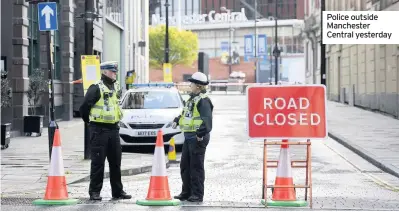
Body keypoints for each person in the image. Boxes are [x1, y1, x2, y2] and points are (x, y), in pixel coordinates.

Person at [79, 61, 131, 201]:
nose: (115, 74)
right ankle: (95, 192)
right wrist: (89, 122)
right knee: (98, 163)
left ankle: (117, 191)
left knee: (115, 162)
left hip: (113, 130)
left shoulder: (115, 87)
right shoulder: (96, 87)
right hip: (99, 130)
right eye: (113, 71)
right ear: (105, 72)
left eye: (115, 72)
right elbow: (84, 107)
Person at [172, 72, 214, 202]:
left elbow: (207, 122)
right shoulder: (192, 99)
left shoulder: (204, 100)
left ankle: (197, 194)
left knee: (196, 167)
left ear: (198, 86)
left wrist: (199, 135)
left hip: (197, 137)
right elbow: (187, 114)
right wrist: (177, 120)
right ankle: (186, 192)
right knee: (185, 166)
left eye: (192, 83)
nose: (190, 85)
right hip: (189, 136)